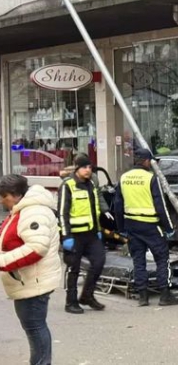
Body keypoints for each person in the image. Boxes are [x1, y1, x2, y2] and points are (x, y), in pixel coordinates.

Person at [0, 174, 62, 365]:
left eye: (4, 196)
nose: (2, 201)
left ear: (16, 194)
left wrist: (2, 261)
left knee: (35, 328)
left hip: (33, 280)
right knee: (34, 328)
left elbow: (37, 248)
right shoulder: (23, 209)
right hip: (27, 279)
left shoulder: (33, 211)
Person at [112, 148, 178, 307]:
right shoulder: (151, 178)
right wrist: (169, 228)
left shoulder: (124, 178)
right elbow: (160, 206)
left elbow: (117, 205)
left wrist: (121, 228)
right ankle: (165, 295)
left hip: (131, 225)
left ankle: (143, 296)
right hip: (151, 226)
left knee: (138, 260)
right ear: (146, 161)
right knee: (162, 258)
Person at [58, 154, 107, 314]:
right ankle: (71, 302)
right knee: (74, 268)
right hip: (74, 235)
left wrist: (98, 230)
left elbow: (94, 209)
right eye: (84, 167)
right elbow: (62, 213)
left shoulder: (91, 184)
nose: (88, 170)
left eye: (90, 167)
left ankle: (87, 295)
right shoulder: (68, 185)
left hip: (91, 234)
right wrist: (66, 236)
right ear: (77, 168)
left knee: (99, 262)